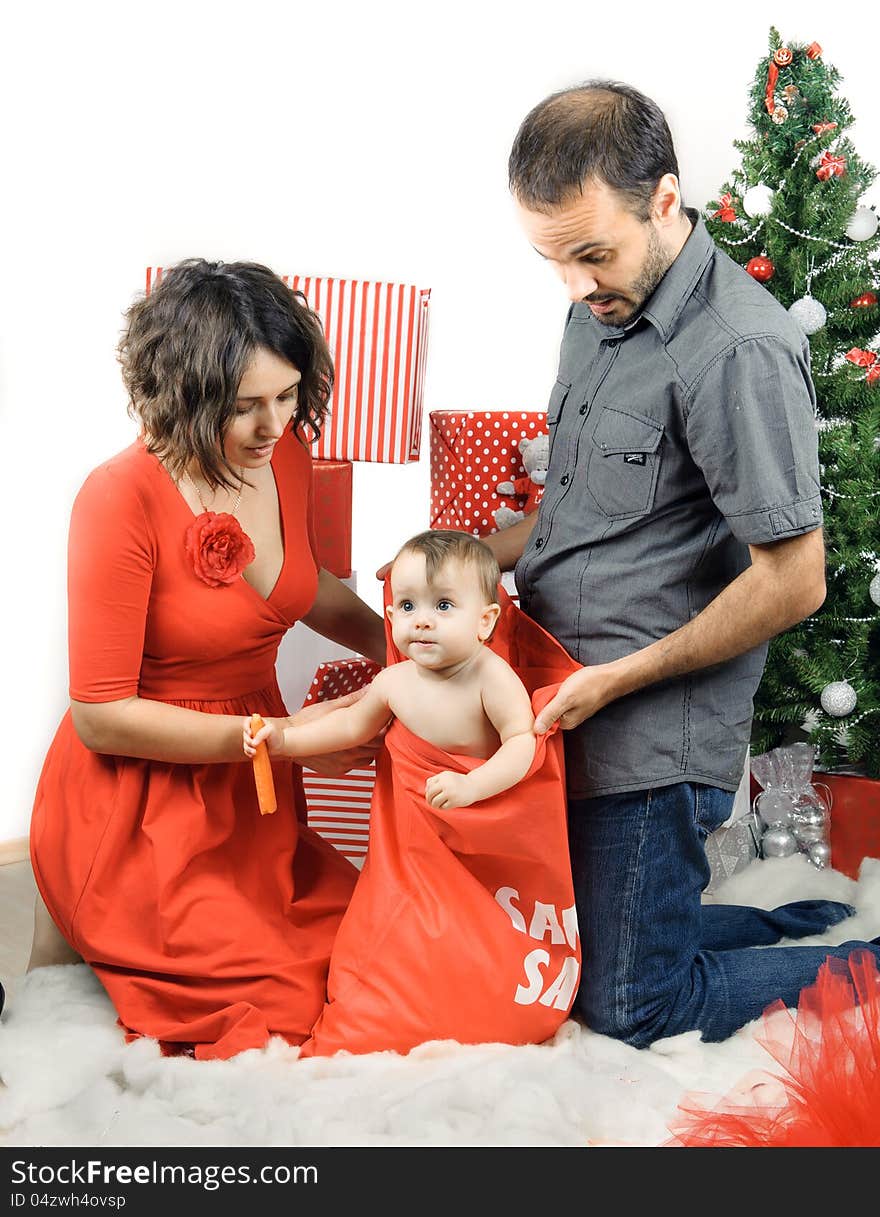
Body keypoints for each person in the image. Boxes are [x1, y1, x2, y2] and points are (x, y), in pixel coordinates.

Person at [471, 80, 878, 1046]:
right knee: (571, 952)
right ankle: (788, 927)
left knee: (627, 1006)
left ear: (664, 198)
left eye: (591, 254)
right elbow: (584, 507)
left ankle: (862, 966)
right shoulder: (596, 310)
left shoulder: (737, 347)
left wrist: (624, 676)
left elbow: (796, 578)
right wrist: (468, 562)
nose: (573, 285)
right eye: (552, 260)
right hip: (563, 694)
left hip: (649, 732)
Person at [28, 259, 387, 1060]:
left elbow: (304, 586)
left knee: (376, 947)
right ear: (185, 395)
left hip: (252, 802)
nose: (274, 424)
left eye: (289, 396)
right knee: (283, 1001)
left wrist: (400, 647)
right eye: (245, 406)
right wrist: (279, 738)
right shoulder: (118, 497)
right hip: (144, 808)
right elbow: (100, 714)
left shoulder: (282, 457)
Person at [246, 530, 536, 810]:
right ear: (391, 616)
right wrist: (286, 740)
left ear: (485, 620)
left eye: (443, 605)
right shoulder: (393, 681)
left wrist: (473, 784)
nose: (422, 620)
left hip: (481, 807)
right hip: (416, 820)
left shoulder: (492, 677)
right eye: (408, 605)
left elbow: (521, 742)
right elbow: (350, 725)